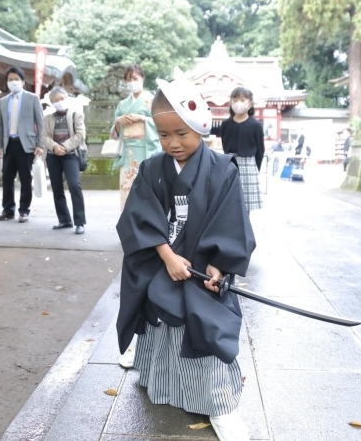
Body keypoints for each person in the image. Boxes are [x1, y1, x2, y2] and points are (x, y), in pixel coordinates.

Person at [116, 77, 256, 441]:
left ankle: (220, 405)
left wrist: (219, 267)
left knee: (205, 322)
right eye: (163, 136)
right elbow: (138, 219)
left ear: (199, 125)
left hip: (199, 271)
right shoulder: (151, 170)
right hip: (164, 265)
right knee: (156, 301)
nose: (173, 144)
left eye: (181, 133)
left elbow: (231, 222)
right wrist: (166, 256)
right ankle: (161, 382)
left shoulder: (222, 170)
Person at [0, 66, 45, 223]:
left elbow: (40, 123)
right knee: (7, 178)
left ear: (23, 81)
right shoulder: (3, 101)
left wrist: (40, 144)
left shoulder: (32, 98)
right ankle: (8, 210)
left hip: (26, 144)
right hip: (9, 143)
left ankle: (24, 210)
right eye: (10, 80)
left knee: (25, 178)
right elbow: (0, 125)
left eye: (16, 79)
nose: (13, 82)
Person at [111, 64, 161, 211]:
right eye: (128, 79)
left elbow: (161, 124)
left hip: (147, 150)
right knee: (127, 190)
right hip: (128, 152)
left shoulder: (153, 101)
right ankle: (129, 228)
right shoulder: (122, 104)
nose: (131, 82)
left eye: (135, 78)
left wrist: (142, 118)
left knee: (147, 191)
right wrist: (118, 122)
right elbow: (116, 133)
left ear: (143, 78)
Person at [41, 86, 87, 235]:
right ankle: (64, 219)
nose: (59, 102)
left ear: (67, 99)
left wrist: (64, 147)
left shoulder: (77, 115)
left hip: (70, 154)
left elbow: (80, 135)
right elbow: (44, 136)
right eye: (56, 100)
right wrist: (54, 147)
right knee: (57, 188)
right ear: (51, 103)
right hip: (53, 155)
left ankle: (79, 222)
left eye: (61, 99)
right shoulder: (47, 118)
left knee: (75, 185)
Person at [219, 87, 265, 212]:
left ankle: (245, 230)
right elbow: (225, 146)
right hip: (230, 164)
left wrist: (256, 169)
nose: (238, 102)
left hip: (249, 165)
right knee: (229, 203)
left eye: (242, 99)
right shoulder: (226, 125)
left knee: (246, 206)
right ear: (231, 102)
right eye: (235, 99)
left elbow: (260, 151)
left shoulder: (255, 125)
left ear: (250, 103)